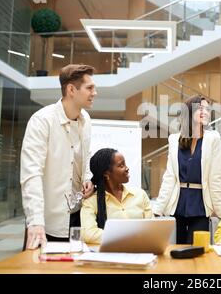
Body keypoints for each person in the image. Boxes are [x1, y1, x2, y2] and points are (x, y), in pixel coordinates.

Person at [20, 64, 97, 249]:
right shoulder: (42, 121)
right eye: (90, 88)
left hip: (77, 216)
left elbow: (84, 157)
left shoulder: (86, 120)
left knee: (74, 266)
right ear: (71, 89)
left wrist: (87, 178)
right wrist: (35, 220)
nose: (95, 92)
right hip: (47, 223)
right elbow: (31, 174)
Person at [153, 95, 221, 244]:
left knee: (197, 252)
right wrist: (157, 209)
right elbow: (170, 177)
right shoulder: (174, 139)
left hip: (200, 205)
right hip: (177, 205)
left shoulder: (213, 138)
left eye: (207, 109)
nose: (205, 112)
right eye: (201, 108)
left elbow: (215, 178)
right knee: (176, 252)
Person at [81, 148, 153, 244]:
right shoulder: (91, 201)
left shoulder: (140, 194)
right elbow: (89, 234)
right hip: (108, 256)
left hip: (141, 252)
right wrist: (128, 237)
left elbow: (152, 228)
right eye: (121, 165)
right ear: (106, 173)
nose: (127, 168)